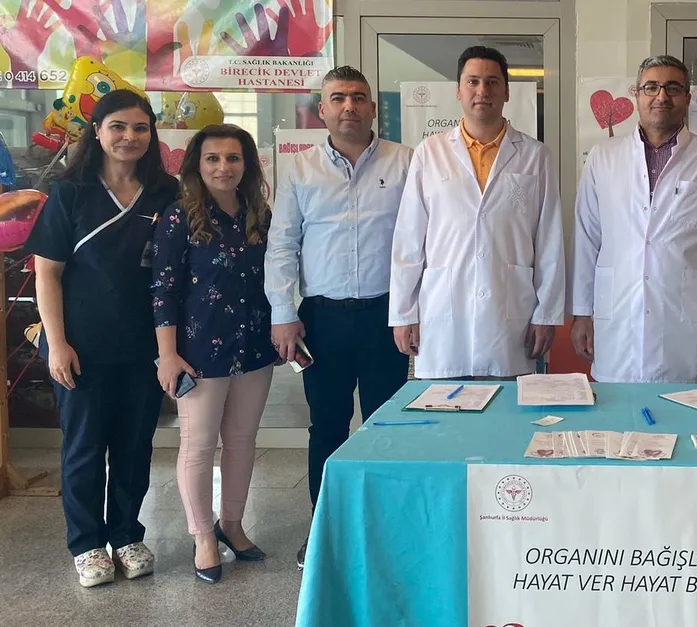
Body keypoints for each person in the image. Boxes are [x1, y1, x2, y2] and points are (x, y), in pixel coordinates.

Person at [25, 89, 179, 587]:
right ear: (97, 131)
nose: (129, 136)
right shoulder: (71, 193)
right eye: (118, 126)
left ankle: (127, 534)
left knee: (134, 446)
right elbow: (47, 274)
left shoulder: (165, 193)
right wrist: (58, 343)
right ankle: (87, 544)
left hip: (143, 346)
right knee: (85, 448)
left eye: (140, 128)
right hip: (81, 346)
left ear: (151, 134)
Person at [265, 66, 414, 569]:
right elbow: (282, 245)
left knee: (385, 427)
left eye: (358, 97)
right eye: (338, 98)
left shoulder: (405, 161)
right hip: (321, 321)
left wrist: (416, 312)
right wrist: (283, 314)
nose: (349, 106)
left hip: (386, 317)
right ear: (322, 109)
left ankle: (383, 530)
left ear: (372, 107)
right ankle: (324, 529)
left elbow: (421, 242)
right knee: (326, 427)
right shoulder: (300, 169)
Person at [390, 46, 565, 378]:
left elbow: (549, 240)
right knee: (445, 406)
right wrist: (403, 313)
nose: (482, 90)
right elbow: (409, 238)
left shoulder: (536, 155)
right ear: (458, 91)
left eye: (492, 82)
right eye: (472, 81)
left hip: (510, 312)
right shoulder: (430, 152)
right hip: (444, 311)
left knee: (508, 403)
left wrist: (546, 314)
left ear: (507, 92)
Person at [570, 55, 697, 383]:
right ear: (637, 94)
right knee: (618, 407)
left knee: (685, 404)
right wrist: (581, 313)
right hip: (618, 313)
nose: (661, 96)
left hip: (686, 319)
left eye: (673, 88)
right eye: (651, 87)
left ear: (687, 98)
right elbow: (586, 237)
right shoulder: (603, 156)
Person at [151, 124, 275, 583]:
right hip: (198, 351)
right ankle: (203, 535)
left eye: (233, 158)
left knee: (242, 440)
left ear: (247, 165)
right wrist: (167, 355)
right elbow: (163, 289)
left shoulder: (259, 214)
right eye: (213, 158)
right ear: (197, 165)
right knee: (199, 444)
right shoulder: (179, 216)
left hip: (254, 346)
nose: (224, 167)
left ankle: (232, 525)